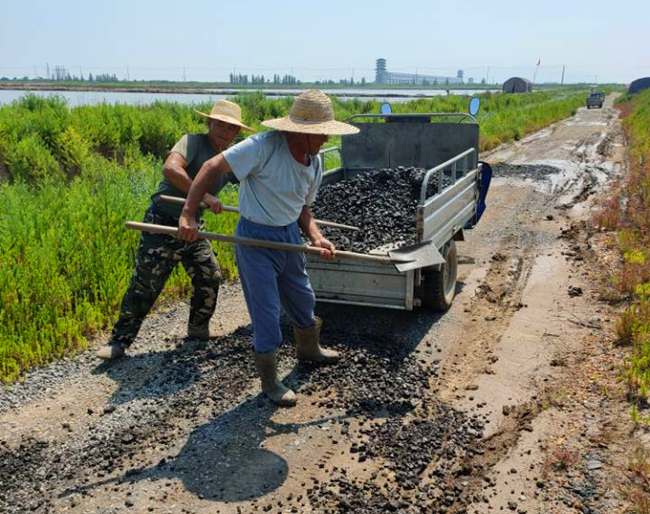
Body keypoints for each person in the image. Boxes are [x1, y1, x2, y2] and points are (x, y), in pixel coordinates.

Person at [178, 89, 359, 406]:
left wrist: (316, 237)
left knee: (303, 298)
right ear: (301, 132)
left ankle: (309, 349)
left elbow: (302, 207)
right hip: (255, 239)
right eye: (321, 133)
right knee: (267, 311)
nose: (326, 139)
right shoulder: (262, 147)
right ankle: (270, 382)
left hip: (289, 237)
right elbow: (209, 167)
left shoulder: (314, 162)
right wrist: (188, 214)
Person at [96, 100, 254, 360]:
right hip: (164, 221)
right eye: (219, 125)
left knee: (210, 274)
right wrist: (203, 196)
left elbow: (253, 178)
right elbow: (170, 169)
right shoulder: (193, 142)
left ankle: (198, 329)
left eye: (230, 128)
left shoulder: (230, 157)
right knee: (146, 283)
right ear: (209, 123)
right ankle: (119, 342)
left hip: (193, 227)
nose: (224, 131)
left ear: (236, 133)